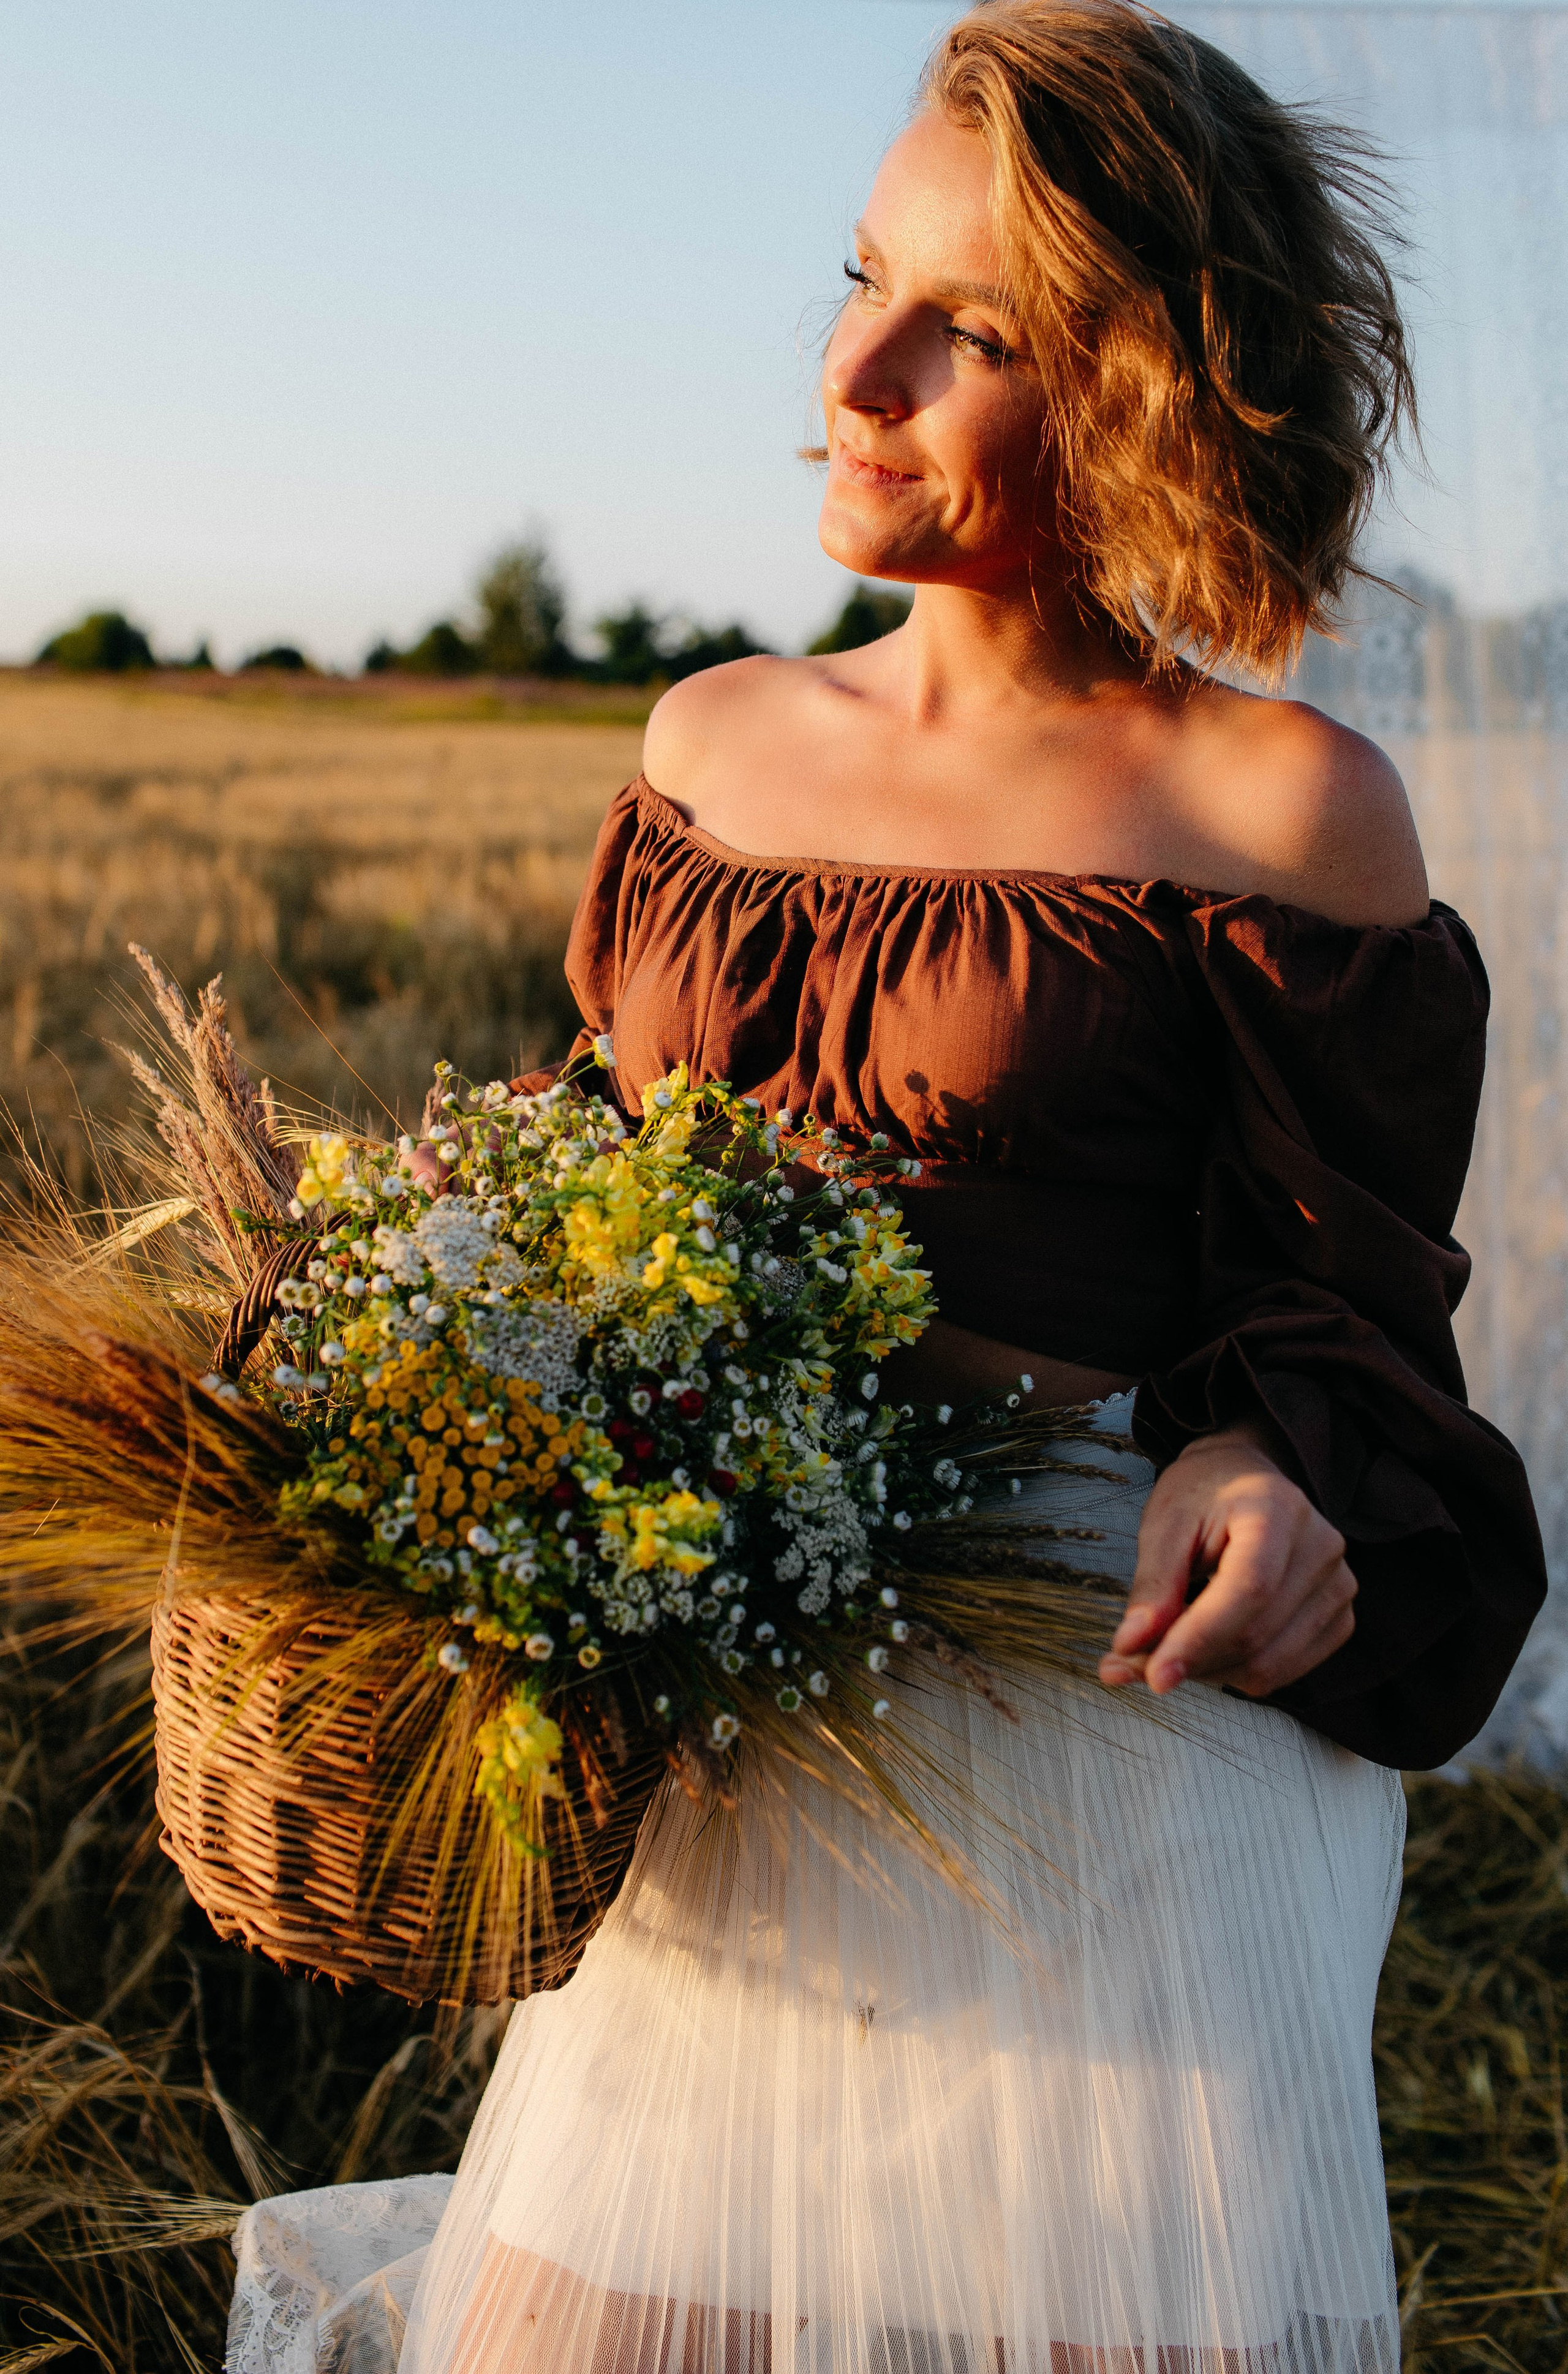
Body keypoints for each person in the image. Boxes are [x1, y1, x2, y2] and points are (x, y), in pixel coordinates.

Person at [225, 6, 1544, 2368]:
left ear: (1141, 391)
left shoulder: (1284, 814)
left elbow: (1350, 1309)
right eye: (862, 279)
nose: (855, 371)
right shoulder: (710, 752)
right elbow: (577, 1207)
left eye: (977, 334)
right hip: (766, 1693)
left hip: (1127, 1705)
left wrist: (1264, 1449)